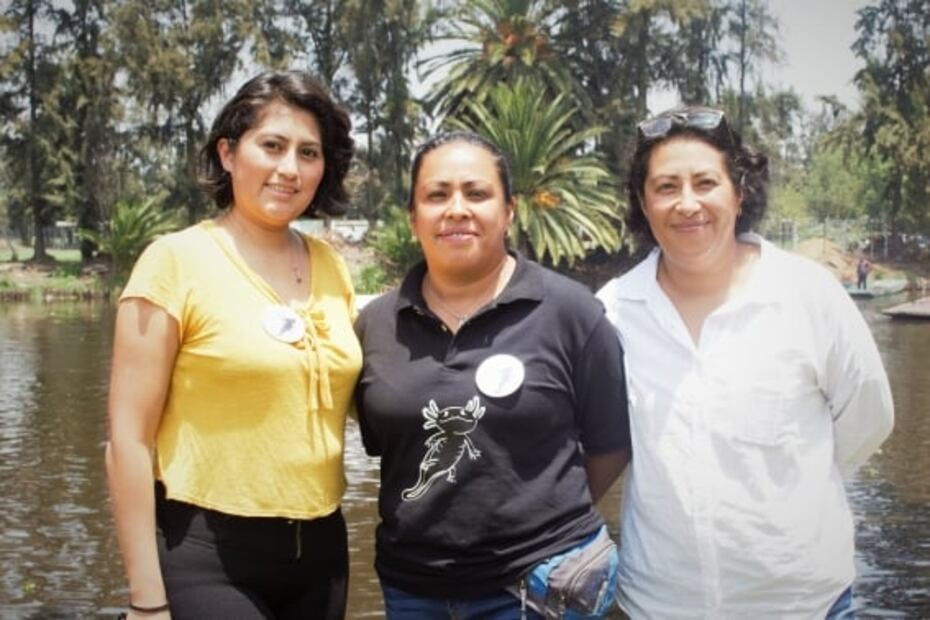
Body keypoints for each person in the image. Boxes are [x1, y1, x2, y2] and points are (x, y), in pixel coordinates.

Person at [596, 106, 895, 619]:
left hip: (803, 603)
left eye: (705, 183)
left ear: (738, 192)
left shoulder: (808, 294)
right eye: (666, 187)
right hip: (659, 604)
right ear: (643, 204)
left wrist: (796, 485)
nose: (687, 203)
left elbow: (869, 419)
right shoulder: (614, 312)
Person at [105, 70, 361, 620]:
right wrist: (146, 600)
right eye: (272, 145)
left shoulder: (331, 266)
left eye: (308, 153)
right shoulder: (175, 262)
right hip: (209, 554)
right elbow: (128, 440)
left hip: (321, 554)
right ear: (227, 153)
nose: (289, 168)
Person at [354, 132, 631, 619]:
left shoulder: (571, 314)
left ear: (509, 211)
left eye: (476, 193)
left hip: (542, 584)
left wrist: (543, 517)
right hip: (412, 588)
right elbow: (387, 444)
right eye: (437, 195)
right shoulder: (376, 325)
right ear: (413, 217)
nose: (456, 209)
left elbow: (610, 443)